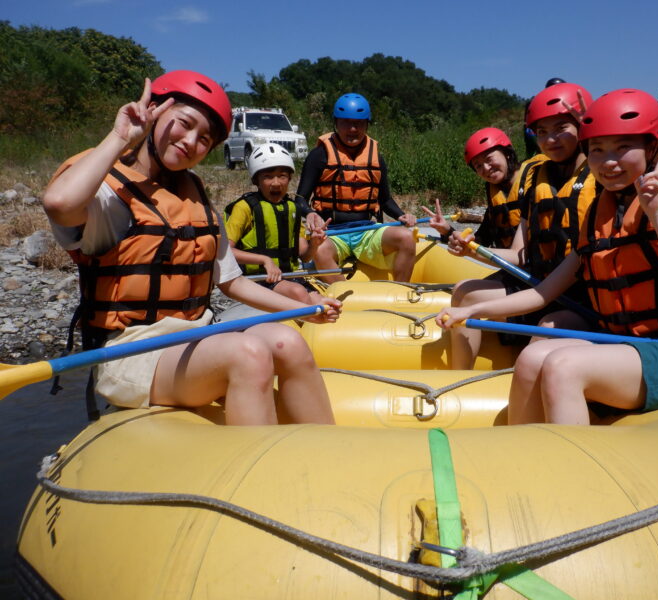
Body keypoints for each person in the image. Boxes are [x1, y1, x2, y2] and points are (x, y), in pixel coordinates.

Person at [43, 70, 341, 426]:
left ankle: (325, 455)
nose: (190, 141)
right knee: (248, 353)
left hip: (196, 336)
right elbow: (60, 203)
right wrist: (121, 137)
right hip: (130, 352)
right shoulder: (109, 195)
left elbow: (232, 282)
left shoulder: (194, 198)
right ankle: (259, 478)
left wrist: (303, 310)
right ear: (153, 111)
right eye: (183, 124)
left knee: (287, 342)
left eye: (204, 139)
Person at [436, 88, 658, 425]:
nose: (608, 162)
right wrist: (474, 309)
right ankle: (519, 456)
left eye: (623, 148)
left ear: (652, 146)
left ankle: (572, 474)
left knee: (562, 367)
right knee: (532, 358)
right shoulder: (599, 211)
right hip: (624, 342)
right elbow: (543, 292)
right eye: (597, 149)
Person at [433, 83, 597, 370]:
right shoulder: (537, 182)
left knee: (544, 329)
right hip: (542, 282)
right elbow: (521, 255)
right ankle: (459, 379)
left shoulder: (603, 179)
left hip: (581, 297)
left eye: (561, 128)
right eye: (542, 132)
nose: (551, 139)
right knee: (464, 291)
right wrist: (466, 247)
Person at [294, 93, 417, 283]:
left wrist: (401, 215)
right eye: (346, 123)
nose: (353, 129)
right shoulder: (319, 155)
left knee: (406, 238)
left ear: (367, 124)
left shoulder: (376, 157)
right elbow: (300, 199)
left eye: (359, 123)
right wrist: (309, 213)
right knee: (319, 248)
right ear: (336, 123)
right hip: (332, 233)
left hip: (367, 231)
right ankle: (345, 300)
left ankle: (400, 293)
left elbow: (384, 199)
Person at [224, 142, 325, 304]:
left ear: (290, 178)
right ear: (256, 180)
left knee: (323, 301)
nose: (276, 183)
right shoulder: (244, 208)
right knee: (298, 293)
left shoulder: (292, 208)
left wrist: (314, 243)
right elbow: (226, 252)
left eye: (282, 176)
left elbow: (305, 257)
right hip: (256, 279)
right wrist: (264, 260)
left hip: (286, 277)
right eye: (268, 177)